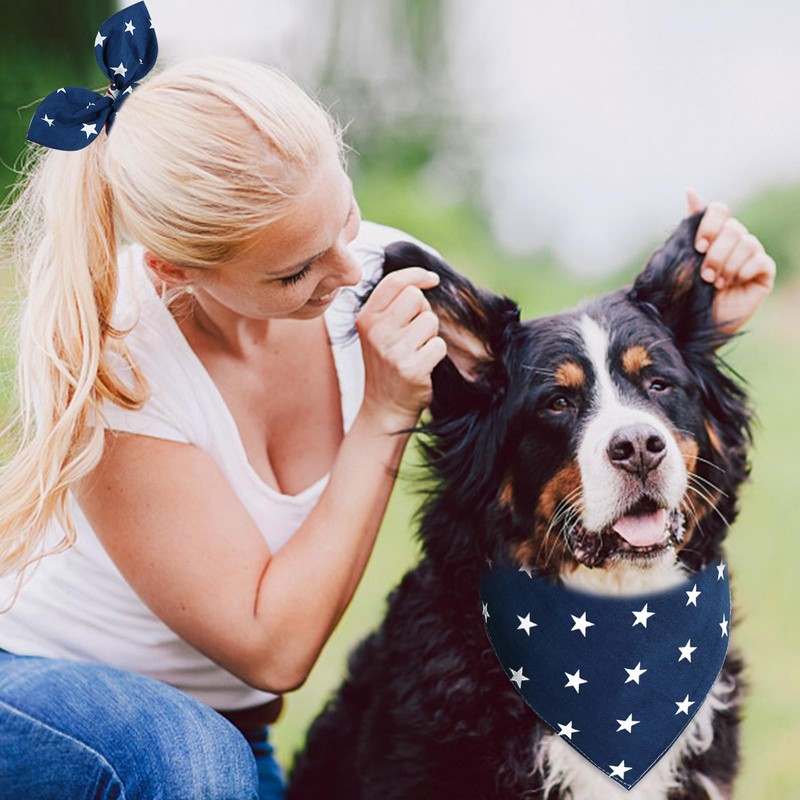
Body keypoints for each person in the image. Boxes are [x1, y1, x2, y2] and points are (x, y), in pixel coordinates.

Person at [0, 51, 776, 800]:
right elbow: (272, 650)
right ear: (176, 269)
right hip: (45, 693)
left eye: (345, 217)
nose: (350, 275)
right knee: (189, 759)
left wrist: (696, 332)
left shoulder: (386, 273)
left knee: (209, 758)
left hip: (235, 735)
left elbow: (542, 379)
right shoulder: (118, 365)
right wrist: (383, 407)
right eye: (296, 271)